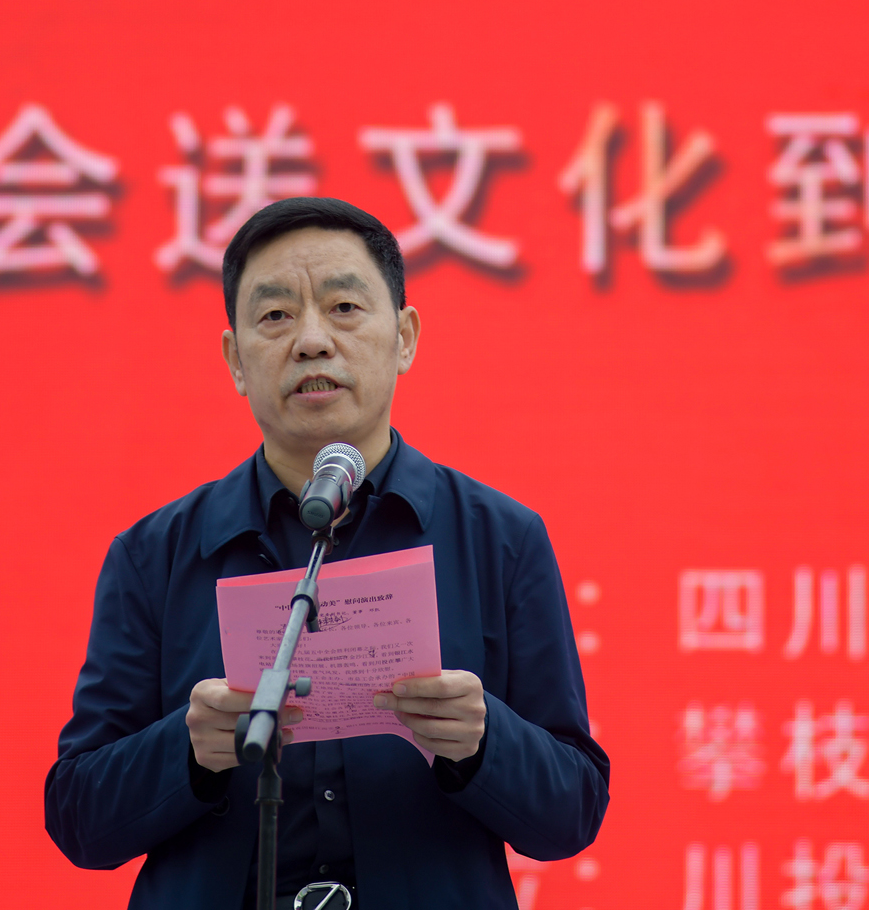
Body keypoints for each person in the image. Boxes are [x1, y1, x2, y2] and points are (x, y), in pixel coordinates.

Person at [45, 196, 608, 908]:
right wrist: (187, 749)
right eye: (276, 316)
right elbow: (78, 818)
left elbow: (572, 811)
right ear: (235, 360)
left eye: (344, 307)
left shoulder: (501, 539)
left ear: (404, 338)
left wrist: (484, 739)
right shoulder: (154, 555)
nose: (312, 341)